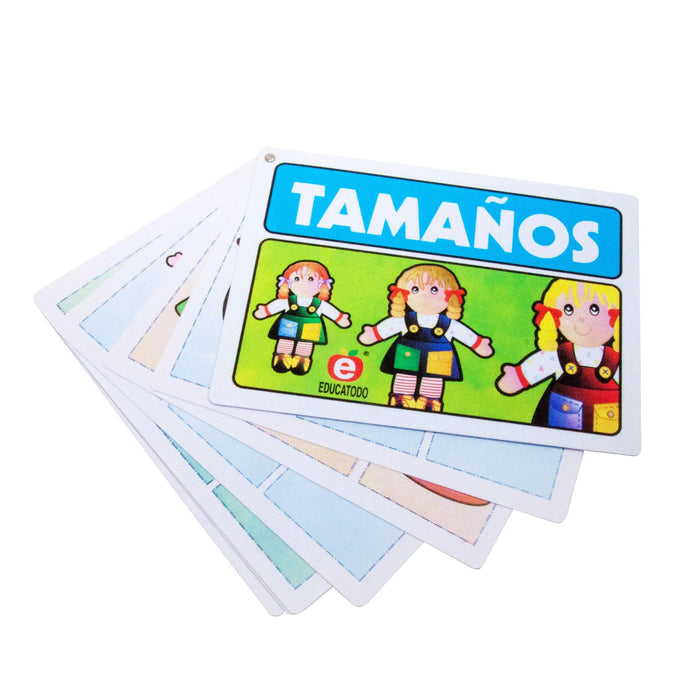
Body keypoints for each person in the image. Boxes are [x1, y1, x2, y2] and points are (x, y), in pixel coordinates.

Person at [358, 263, 493, 412]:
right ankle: (402, 399)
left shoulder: (449, 324)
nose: (425, 296)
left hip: (438, 357)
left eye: (434, 290)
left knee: (433, 379)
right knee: (405, 376)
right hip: (408, 353)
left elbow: (464, 333)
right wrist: (373, 334)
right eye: (415, 289)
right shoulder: (404, 319)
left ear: (451, 296)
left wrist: (478, 344)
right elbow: (388, 327)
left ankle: (430, 402)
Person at [496, 278, 620, 434]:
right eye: (569, 309)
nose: (582, 318)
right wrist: (516, 378)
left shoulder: (615, 359)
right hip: (562, 422)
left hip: (608, 422)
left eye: (594, 309)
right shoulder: (559, 355)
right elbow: (536, 367)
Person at [253, 260, 351, 375]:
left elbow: (330, 311)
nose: (303, 284)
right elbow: (276, 305)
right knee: (285, 340)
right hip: (289, 324)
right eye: (297, 279)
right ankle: (282, 358)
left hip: (311, 327)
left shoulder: (319, 304)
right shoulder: (288, 300)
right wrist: (265, 311)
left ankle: (302, 360)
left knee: (306, 344)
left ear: (322, 284)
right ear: (288, 282)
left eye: (311, 279)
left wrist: (340, 318)